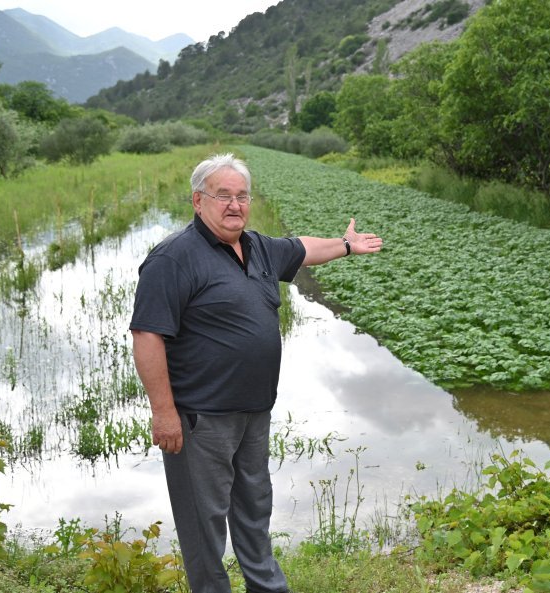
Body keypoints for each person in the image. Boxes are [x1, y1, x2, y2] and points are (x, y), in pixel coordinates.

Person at [129, 152, 382, 593]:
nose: (234, 205)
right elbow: (147, 336)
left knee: (254, 511)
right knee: (203, 524)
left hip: (253, 412)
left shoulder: (258, 247)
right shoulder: (173, 258)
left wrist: (345, 246)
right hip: (200, 419)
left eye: (241, 196)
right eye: (222, 195)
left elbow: (302, 248)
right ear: (197, 200)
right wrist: (163, 412)